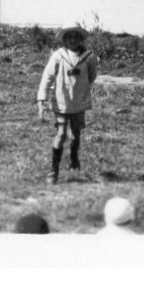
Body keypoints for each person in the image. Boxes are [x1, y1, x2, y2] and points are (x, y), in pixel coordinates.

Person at [37, 25, 99, 181]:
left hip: (79, 103)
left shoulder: (89, 57)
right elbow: (47, 77)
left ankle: (74, 159)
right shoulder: (58, 56)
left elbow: (91, 76)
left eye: (76, 37)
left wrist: (81, 86)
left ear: (81, 39)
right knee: (61, 133)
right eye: (69, 37)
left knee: (75, 135)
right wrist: (41, 100)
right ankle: (54, 170)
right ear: (64, 39)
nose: (72, 40)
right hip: (61, 102)